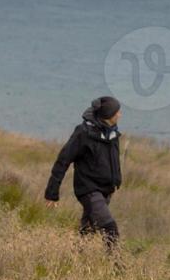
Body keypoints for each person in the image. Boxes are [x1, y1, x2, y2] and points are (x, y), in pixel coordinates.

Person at [44, 96, 122, 249]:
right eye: (117, 112)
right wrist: (52, 193)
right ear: (108, 115)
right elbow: (63, 160)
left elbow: (114, 160)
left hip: (106, 190)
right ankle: (117, 268)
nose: (120, 115)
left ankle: (74, 261)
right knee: (110, 229)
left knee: (87, 232)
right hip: (88, 190)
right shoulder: (83, 133)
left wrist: (116, 181)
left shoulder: (113, 133)